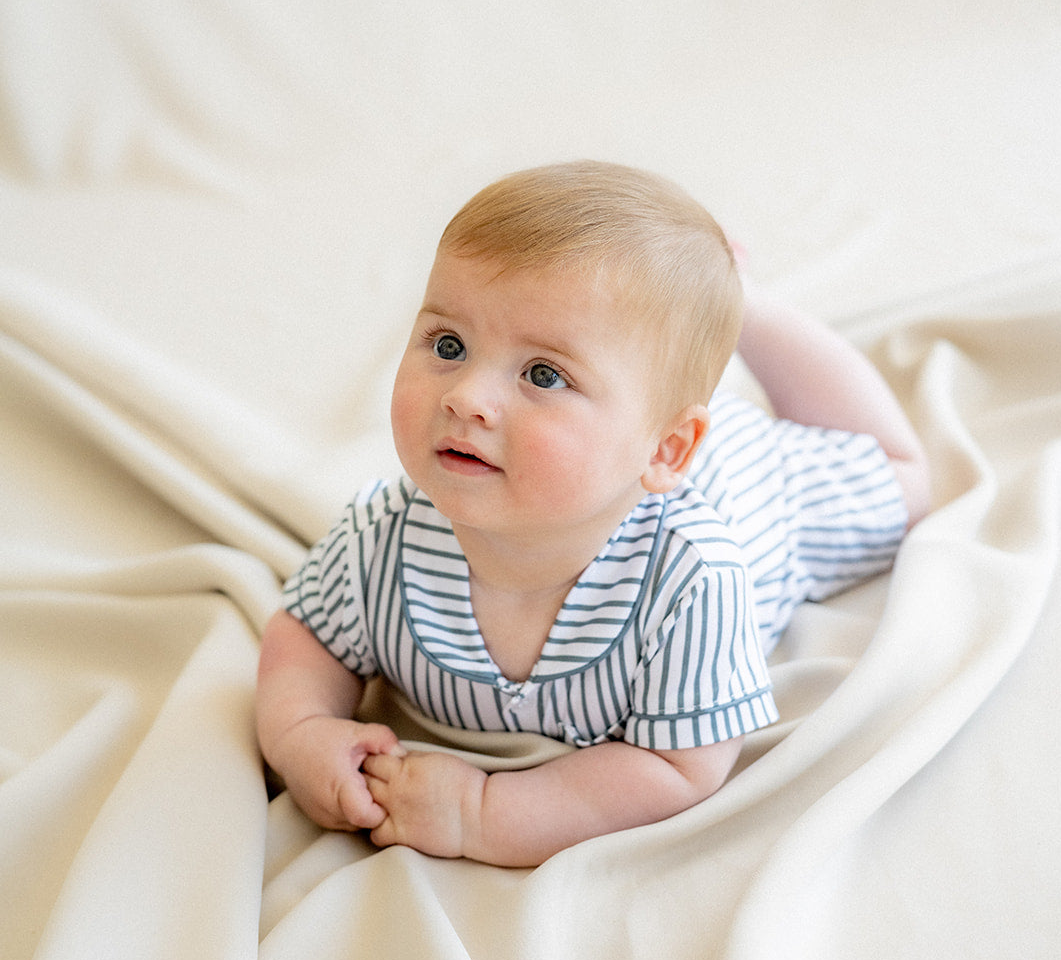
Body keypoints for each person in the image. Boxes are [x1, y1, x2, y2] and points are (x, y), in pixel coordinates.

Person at [256, 161, 930, 867]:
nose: (466, 397)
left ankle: (747, 306)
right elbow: (307, 636)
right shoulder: (380, 534)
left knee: (906, 481)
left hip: (750, 485)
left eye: (543, 374)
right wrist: (300, 731)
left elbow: (678, 765)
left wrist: (485, 813)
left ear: (667, 447)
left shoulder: (693, 579)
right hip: (640, 453)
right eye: (449, 345)